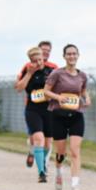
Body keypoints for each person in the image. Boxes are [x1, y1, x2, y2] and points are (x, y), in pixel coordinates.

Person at [44, 44, 90, 190]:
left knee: (75, 151)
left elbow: (82, 90)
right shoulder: (57, 74)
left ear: (78, 55)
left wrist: (87, 98)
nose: (71, 56)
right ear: (64, 56)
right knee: (61, 152)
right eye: (68, 54)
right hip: (58, 115)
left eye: (74, 54)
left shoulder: (82, 75)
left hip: (76, 115)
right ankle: (58, 170)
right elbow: (45, 92)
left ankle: (75, 186)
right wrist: (58, 98)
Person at [17, 41, 59, 170]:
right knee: (34, 138)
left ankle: (44, 163)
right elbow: (18, 86)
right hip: (32, 108)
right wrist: (29, 73)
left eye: (48, 50)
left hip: (49, 108)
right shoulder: (27, 67)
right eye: (43, 50)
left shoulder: (53, 68)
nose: (46, 52)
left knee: (48, 140)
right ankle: (32, 152)